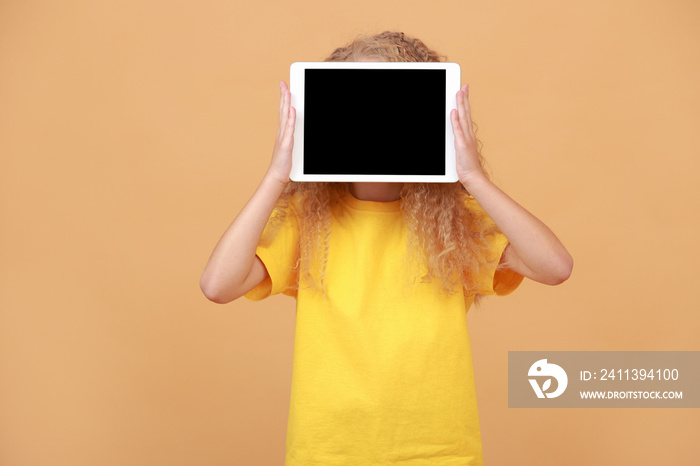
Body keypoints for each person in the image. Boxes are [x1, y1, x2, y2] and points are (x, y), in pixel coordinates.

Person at [200, 31, 573, 466]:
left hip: (438, 453)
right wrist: (277, 177)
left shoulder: (456, 221)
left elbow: (555, 267)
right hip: (328, 452)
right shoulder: (307, 219)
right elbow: (217, 285)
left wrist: (473, 178)